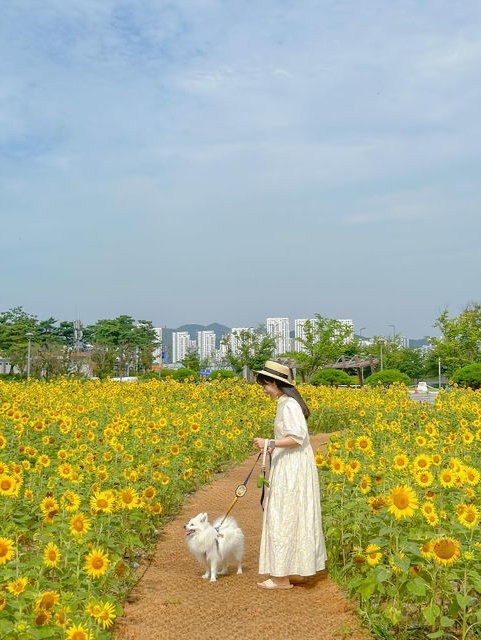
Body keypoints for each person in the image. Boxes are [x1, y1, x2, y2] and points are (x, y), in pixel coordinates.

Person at [252, 360, 327, 590]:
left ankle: (281, 578)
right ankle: (293, 570)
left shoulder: (289, 405)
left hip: (292, 469)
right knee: (292, 515)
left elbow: (297, 438)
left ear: (276, 383)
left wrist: (269, 442)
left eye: (265, 384)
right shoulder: (286, 403)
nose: (264, 389)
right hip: (291, 464)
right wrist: (273, 447)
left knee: (282, 515)